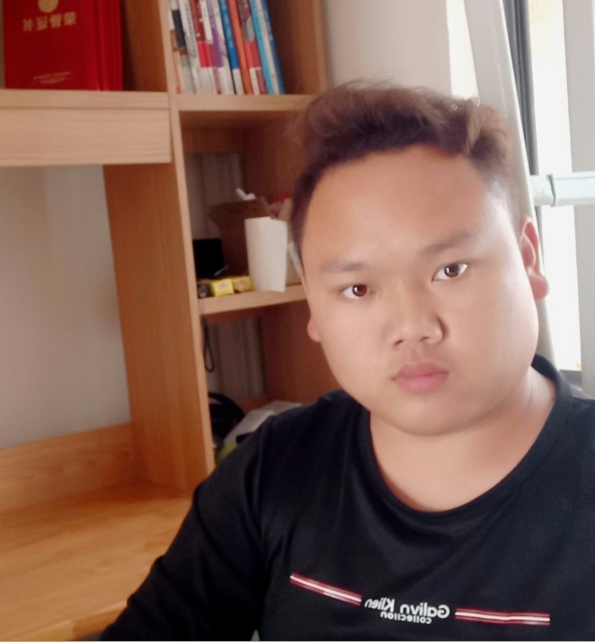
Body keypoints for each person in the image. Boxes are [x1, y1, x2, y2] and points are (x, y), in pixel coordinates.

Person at [100, 82, 595, 641]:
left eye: (450, 270)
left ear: (528, 260)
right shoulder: (274, 472)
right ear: (312, 303)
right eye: (358, 289)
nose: (412, 327)